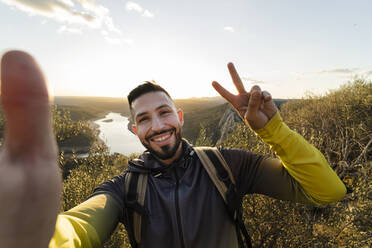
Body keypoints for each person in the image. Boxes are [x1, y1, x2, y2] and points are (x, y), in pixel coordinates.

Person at [0, 50, 346, 248]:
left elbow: (326, 191)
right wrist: (40, 236)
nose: (159, 126)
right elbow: (81, 226)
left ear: (179, 117)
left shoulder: (225, 165)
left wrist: (273, 130)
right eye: (145, 119)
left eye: (164, 112)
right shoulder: (124, 189)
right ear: (134, 129)